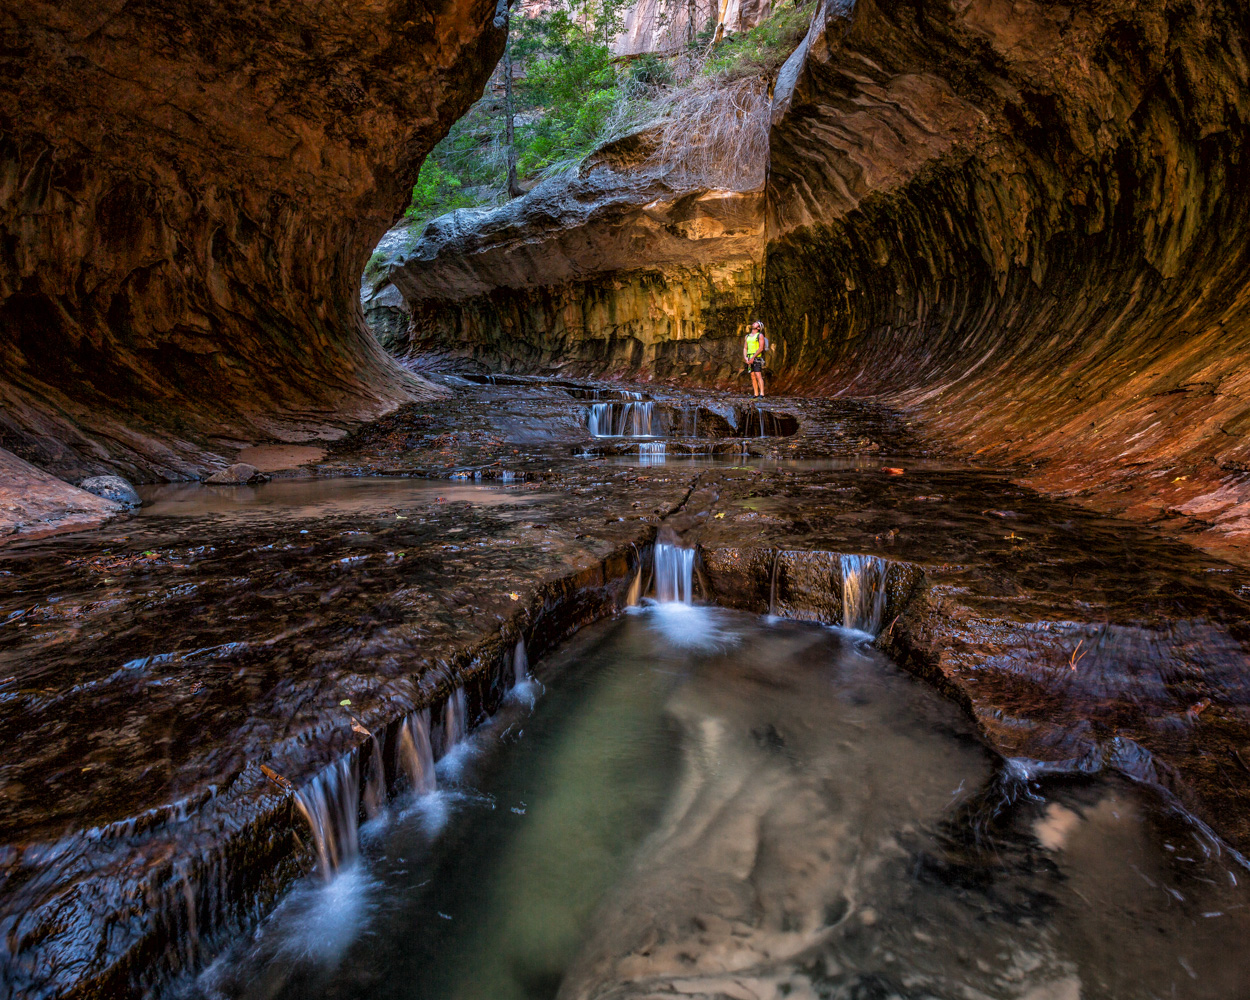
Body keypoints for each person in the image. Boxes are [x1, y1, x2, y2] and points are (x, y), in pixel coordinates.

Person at [743, 320, 769, 397]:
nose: (753, 323)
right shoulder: (747, 336)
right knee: (752, 376)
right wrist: (745, 357)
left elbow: (761, 348)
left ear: (758, 327)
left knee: (758, 375)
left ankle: (762, 394)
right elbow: (745, 348)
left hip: (756, 357)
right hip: (749, 357)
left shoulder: (759, 335)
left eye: (756, 324)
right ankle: (756, 394)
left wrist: (753, 357)